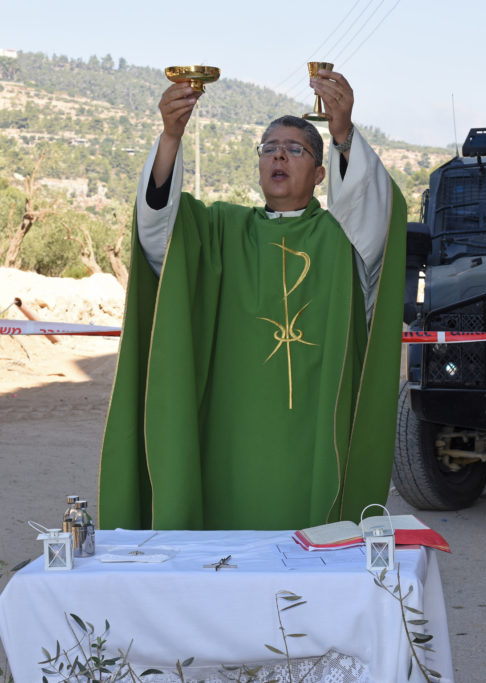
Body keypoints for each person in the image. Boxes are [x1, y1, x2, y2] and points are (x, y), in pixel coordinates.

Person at [98, 69, 406, 530]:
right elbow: (159, 232)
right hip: (230, 437)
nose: (279, 154)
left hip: (317, 435)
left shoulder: (343, 238)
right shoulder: (220, 231)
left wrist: (341, 131)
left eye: (296, 149)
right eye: (268, 149)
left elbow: (375, 215)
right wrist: (170, 137)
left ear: (321, 173)